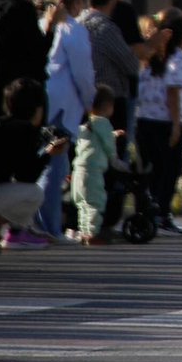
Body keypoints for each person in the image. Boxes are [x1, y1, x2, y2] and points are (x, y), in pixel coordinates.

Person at [0, 77, 66, 248]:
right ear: (38, 108)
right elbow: (27, 176)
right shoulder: (24, 130)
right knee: (34, 194)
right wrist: (48, 153)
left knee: (3, 187)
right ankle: (17, 233)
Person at [42, 0, 96, 240]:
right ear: (75, 3)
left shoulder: (43, 25)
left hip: (42, 102)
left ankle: (38, 225)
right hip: (63, 106)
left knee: (42, 165)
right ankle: (51, 228)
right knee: (55, 168)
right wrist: (90, 101)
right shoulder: (73, 30)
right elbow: (83, 73)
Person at [133, 11, 182, 233]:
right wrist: (176, 124)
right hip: (165, 120)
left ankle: (147, 214)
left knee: (150, 170)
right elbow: (172, 92)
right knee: (170, 169)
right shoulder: (178, 58)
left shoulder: (150, 57)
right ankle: (162, 214)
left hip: (143, 119)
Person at [83, 0, 142, 144]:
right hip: (110, 104)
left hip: (84, 101)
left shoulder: (78, 23)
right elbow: (132, 65)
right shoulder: (106, 29)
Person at [72, 84, 129, 244]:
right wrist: (115, 159)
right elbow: (108, 144)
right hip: (93, 172)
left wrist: (112, 134)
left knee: (83, 204)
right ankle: (93, 234)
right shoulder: (103, 123)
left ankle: (83, 232)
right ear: (108, 106)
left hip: (78, 171)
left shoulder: (84, 125)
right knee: (95, 203)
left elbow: (95, 140)